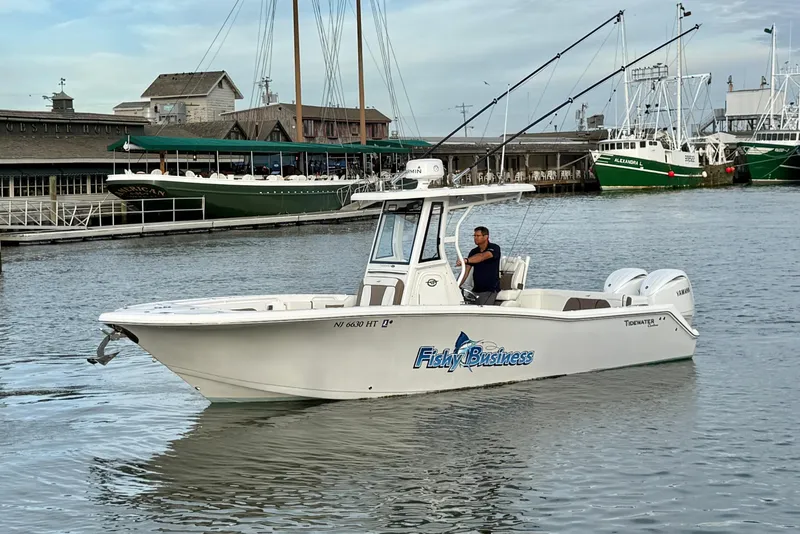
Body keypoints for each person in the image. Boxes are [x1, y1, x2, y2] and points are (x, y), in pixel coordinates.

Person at [456, 226, 501, 305]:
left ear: (486, 237)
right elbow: (466, 271)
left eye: (478, 236)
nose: (475, 238)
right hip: (476, 290)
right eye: (474, 236)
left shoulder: (494, 248)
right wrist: (456, 285)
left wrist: (466, 260)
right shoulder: (473, 251)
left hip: (490, 290)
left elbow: (482, 256)